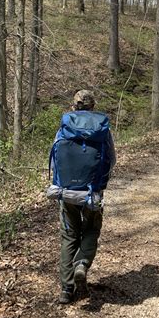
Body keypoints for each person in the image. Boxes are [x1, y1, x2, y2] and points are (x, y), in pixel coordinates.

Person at [48, 90, 115, 305]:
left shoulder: (64, 126)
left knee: (69, 236)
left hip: (66, 192)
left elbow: (54, 160)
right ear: (92, 106)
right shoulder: (102, 129)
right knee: (92, 230)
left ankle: (66, 290)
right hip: (92, 192)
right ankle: (82, 264)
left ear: (74, 106)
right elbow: (111, 160)